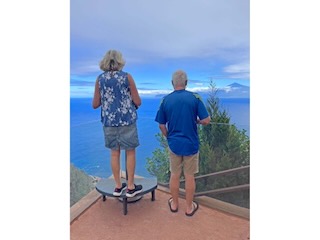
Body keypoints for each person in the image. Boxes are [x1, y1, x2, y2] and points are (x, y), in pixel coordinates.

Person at [155, 70, 211, 216]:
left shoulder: (165, 100)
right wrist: (197, 121)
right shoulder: (195, 98)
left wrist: (169, 137)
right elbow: (206, 120)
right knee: (189, 176)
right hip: (191, 144)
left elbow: (161, 125)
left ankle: (174, 204)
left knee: (174, 175)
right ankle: (189, 207)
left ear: (172, 83)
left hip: (174, 145)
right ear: (186, 83)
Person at [92, 49, 143, 198]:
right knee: (130, 151)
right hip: (127, 120)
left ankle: (118, 186)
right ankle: (131, 187)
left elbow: (95, 104)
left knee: (114, 153)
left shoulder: (100, 79)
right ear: (120, 61)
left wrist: (107, 100)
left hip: (109, 122)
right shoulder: (127, 77)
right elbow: (137, 101)